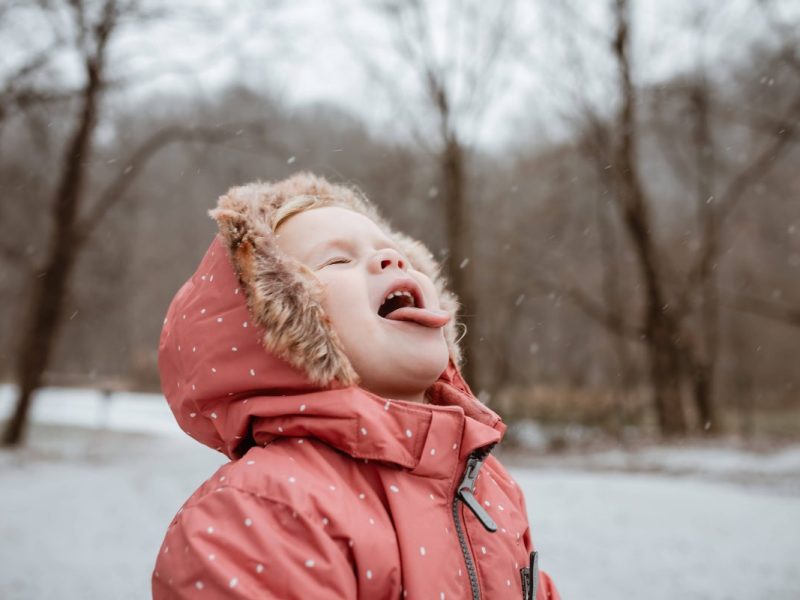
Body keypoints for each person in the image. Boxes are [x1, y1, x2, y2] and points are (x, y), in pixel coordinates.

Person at [152, 172, 560, 599]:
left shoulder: (484, 484)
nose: (391, 259)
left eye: (394, 252)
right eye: (338, 261)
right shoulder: (260, 509)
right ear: (280, 327)